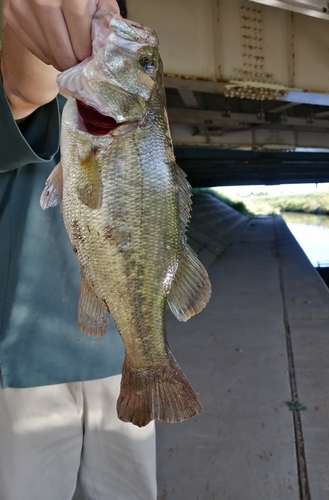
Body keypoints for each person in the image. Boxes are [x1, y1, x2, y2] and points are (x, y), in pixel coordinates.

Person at [0, 1, 157, 499]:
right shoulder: (54, 89)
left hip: (120, 355)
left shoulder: (126, 118)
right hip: (27, 363)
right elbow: (24, 88)